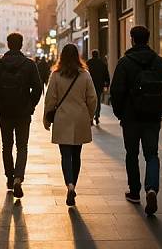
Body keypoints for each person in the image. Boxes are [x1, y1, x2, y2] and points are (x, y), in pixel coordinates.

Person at [110, 25, 162, 216]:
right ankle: (152, 188)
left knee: (132, 154)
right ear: (148, 39)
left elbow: (116, 91)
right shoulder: (159, 62)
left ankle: (134, 191)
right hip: (152, 117)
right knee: (152, 154)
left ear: (132, 39)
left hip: (131, 118)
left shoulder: (124, 63)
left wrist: (120, 113)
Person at [0, 32, 42, 198]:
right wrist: (30, 105)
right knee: (22, 146)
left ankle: (9, 178)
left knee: (7, 145)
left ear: (8, 44)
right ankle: (19, 177)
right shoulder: (29, 64)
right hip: (23, 112)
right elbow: (38, 88)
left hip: (4, 112)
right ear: (22, 44)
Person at [43, 44, 97, 206]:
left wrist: (46, 119)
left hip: (62, 118)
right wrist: (90, 115)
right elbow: (92, 98)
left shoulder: (56, 75)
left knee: (65, 155)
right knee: (77, 155)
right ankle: (74, 183)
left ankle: (69, 184)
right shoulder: (85, 75)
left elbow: (50, 99)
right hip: (80, 118)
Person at [86, 50, 110, 125]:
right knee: (98, 100)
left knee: (90, 100)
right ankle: (97, 116)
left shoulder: (88, 63)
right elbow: (106, 74)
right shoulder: (102, 64)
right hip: (99, 85)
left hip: (90, 85)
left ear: (92, 55)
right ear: (98, 55)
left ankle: (91, 117)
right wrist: (107, 84)